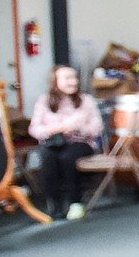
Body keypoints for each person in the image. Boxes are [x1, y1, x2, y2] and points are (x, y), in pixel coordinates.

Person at [28, 65, 104, 220]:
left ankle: (75, 202)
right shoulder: (44, 101)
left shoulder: (86, 100)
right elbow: (34, 129)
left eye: (74, 78)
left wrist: (78, 128)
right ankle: (55, 204)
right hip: (54, 141)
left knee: (67, 157)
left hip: (81, 143)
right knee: (48, 156)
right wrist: (55, 129)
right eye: (67, 78)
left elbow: (97, 128)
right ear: (55, 81)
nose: (72, 82)